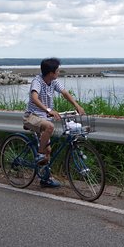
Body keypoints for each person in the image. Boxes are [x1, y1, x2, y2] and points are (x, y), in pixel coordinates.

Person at [23, 57, 85, 188]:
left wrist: (76, 105)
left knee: (49, 150)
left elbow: (65, 93)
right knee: (49, 128)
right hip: (32, 117)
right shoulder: (37, 81)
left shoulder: (54, 82)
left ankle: (45, 179)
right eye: (57, 70)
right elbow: (34, 98)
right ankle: (39, 155)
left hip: (44, 118)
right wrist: (49, 110)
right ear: (51, 73)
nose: (59, 72)